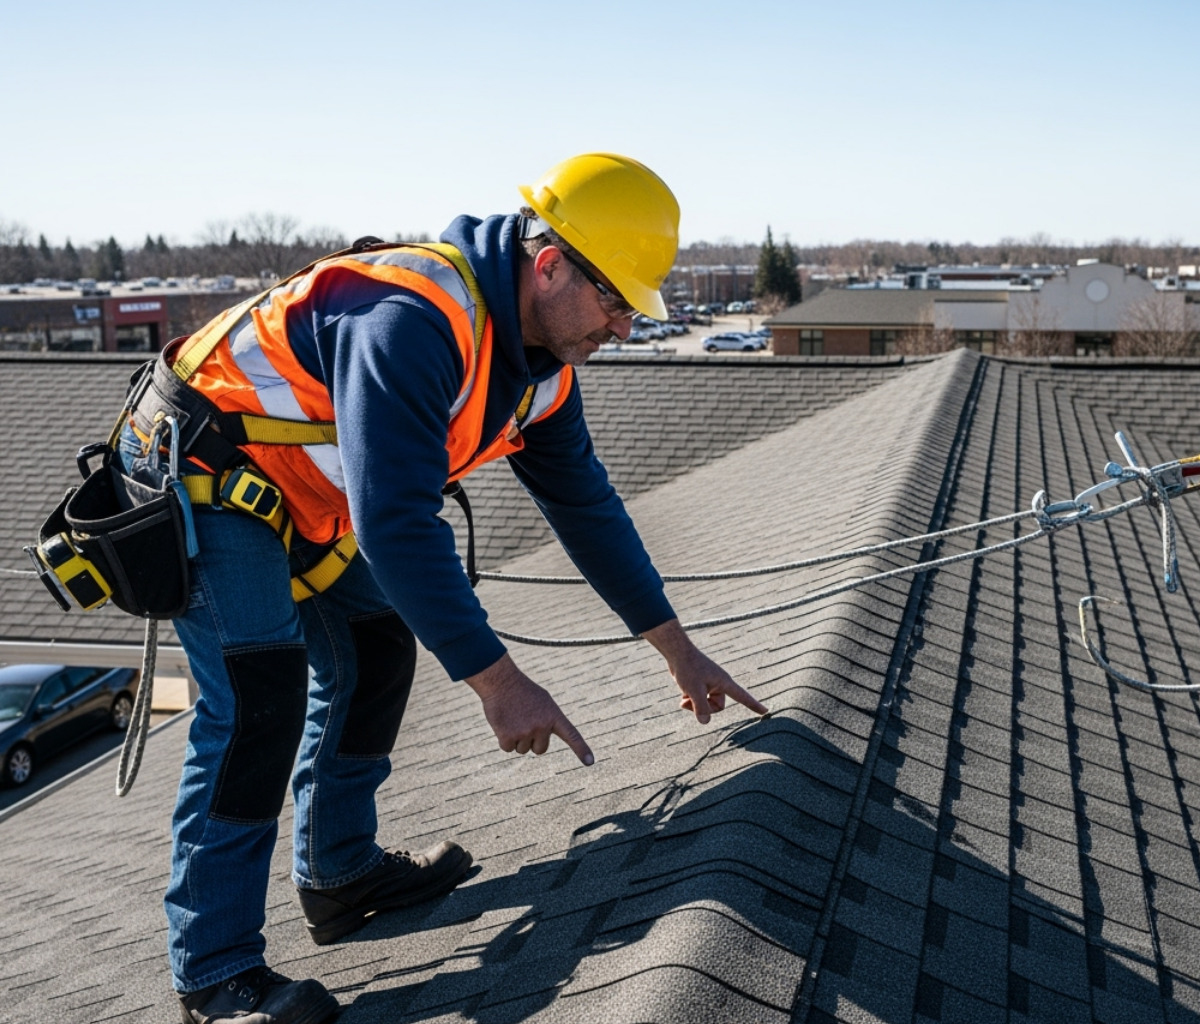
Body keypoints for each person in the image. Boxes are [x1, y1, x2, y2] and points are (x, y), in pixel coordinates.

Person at [117, 153, 768, 1024]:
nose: (620, 327)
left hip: (292, 492)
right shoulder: (414, 320)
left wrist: (678, 652)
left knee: (377, 644)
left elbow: (588, 511)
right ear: (550, 264)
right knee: (255, 699)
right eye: (614, 301)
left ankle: (339, 874)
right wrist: (499, 683)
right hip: (204, 464)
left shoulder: (541, 370)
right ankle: (216, 975)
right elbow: (394, 524)